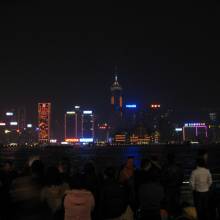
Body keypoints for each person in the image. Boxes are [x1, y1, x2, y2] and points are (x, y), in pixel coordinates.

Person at [161, 153, 184, 217]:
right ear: (174, 159)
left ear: (167, 159)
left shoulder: (165, 167)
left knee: (168, 204)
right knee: (176, 203)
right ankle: (176, 216)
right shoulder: (178, 167)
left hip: (168, 188)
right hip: (176, 188)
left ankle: (169, 216)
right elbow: (181, 177)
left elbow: (162, 178)